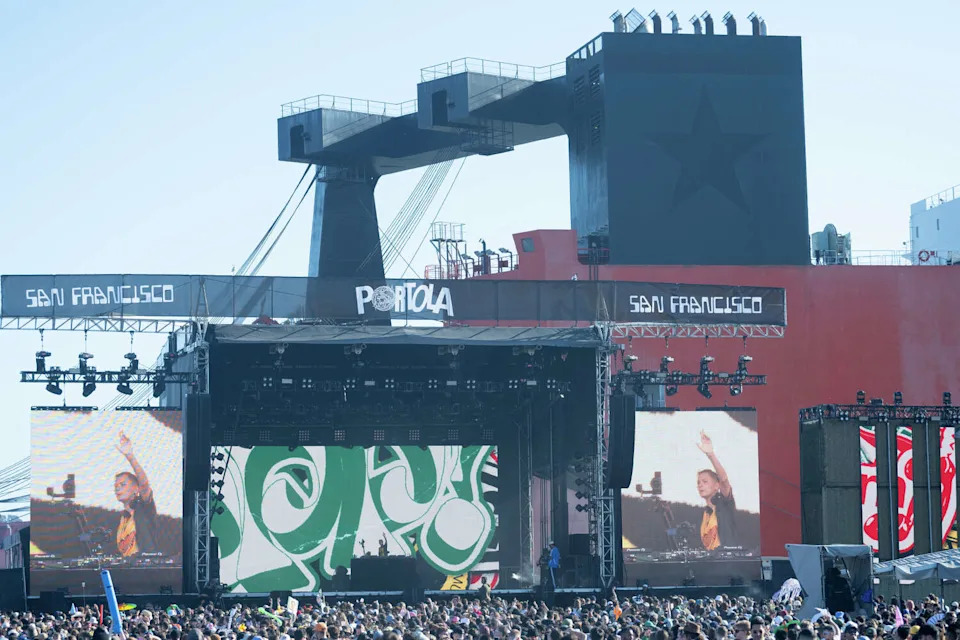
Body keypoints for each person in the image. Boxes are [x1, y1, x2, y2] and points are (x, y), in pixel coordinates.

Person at [114, 430, 158, 556]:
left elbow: (144, 484)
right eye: (116, 486)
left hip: (145, 570)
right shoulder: (123, 517)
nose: (117, 488)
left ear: (136, 489)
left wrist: (130, 456)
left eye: (122, 485)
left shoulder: (143, 507)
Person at [697, 430, 740, 551]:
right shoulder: (706, 513)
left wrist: (710, 455)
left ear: (717, 486)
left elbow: (724, 480)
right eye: (698, 482)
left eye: (705, 482)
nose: (700, 485)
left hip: (728, 562)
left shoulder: (724, 503)